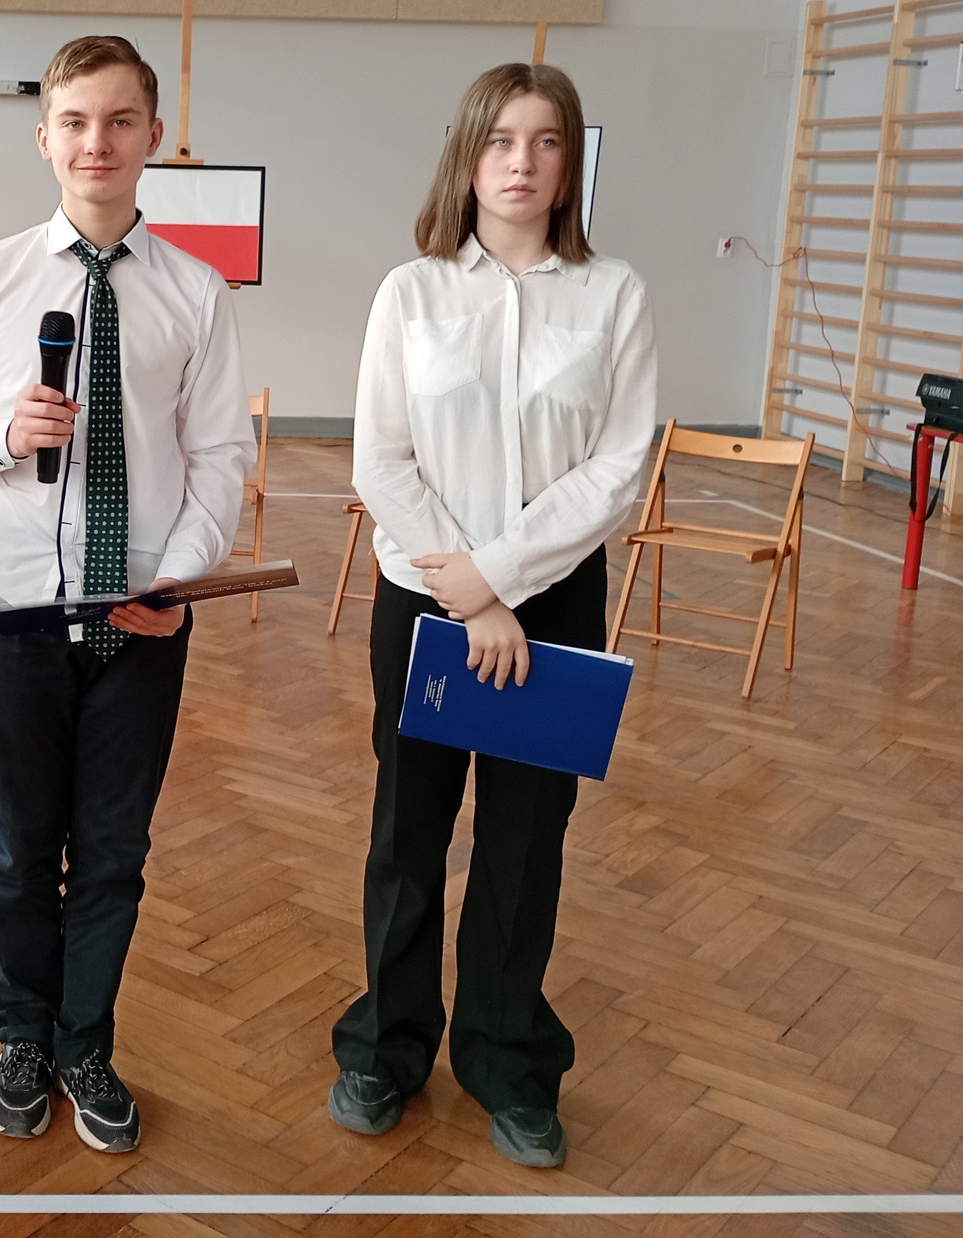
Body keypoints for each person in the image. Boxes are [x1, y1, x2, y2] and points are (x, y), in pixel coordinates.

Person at [0, 35, 254, 1155]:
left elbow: (220, 457)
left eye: (118, 122)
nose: (95, 143)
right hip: (11, 611)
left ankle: (85, 1043)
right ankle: (21, 1037)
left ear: (152, 136)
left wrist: (176, 573)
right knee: (18, 847)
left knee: (111, 851)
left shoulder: (196, 292)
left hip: (140, 615)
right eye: (74, 121)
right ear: (44, 138)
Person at [328, 63, 657, 1168]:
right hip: (424, 600)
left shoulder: (613, 294)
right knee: (407, 832)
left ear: (570, 161)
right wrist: (464, 588)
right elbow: (381, 459)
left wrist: (499, 582)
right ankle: (384, 1048)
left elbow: (619, 465)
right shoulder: (410, 292)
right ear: (466, 156)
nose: (522, 162)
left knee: (523, 843)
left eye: (546, 141)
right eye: (500, 140)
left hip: (551, 606)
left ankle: (508, 1063)